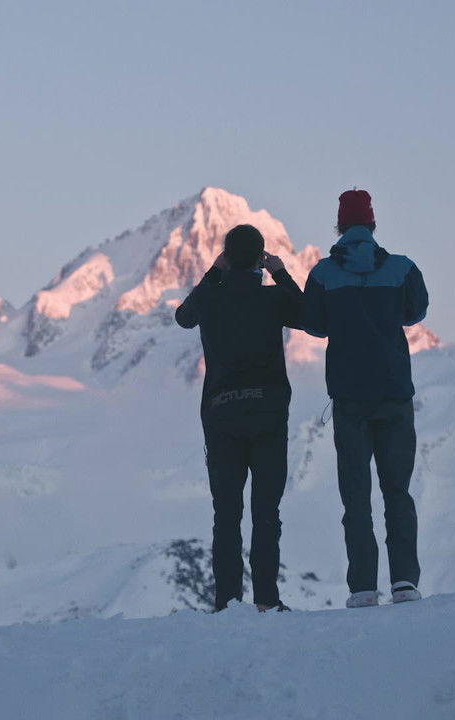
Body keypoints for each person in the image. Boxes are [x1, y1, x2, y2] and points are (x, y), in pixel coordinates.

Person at [301, 189, 429, 609]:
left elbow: (314, 325)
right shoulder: (403, 268)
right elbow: (416, 312)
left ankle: (362, 588)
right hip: (394, 393)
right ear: (373, 224)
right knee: (398, 491)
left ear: (339, 226)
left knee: (355, 495)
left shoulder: (322, 274)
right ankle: (405, 582)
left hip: (349, 397)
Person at [175, 224, 303, 612]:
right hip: (268, 414)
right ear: (260, 259)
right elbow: (309, 313)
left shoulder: (211, 300)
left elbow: (184, 316)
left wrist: (214, 273)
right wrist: (280, 273)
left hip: (222, 415)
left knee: (226, 514)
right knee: (266, 511)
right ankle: (266, 600)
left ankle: (228, 602)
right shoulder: (271, 299)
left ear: (227, 258)